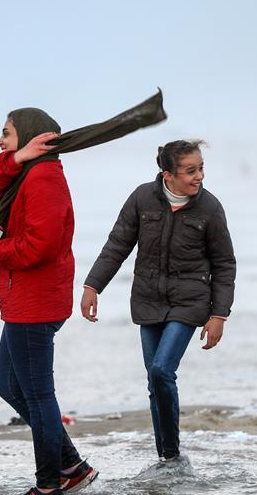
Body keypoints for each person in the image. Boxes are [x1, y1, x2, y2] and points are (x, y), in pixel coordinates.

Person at [80, 139, 236, 463]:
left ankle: (172, 454)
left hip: (190, 302)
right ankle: (167, 457)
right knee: (154, 379)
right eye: (190, 171)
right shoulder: (142, 199)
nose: (199, 177)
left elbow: (224, 264)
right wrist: (93, 285)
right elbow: (117, 245)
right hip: (148, 300)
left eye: (201, 168)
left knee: (162, 371)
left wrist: (219, 314)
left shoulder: (209, 208)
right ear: (167, 174)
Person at [0, 108, 97, 495]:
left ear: (26, 133)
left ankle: (49, 486)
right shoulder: (29, 170)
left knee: (39, 396)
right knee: (9, 386)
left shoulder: (45, 179)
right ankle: (72, 467)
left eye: (6, 134)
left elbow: (37, 248)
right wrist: (18, 156)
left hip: (36, 302)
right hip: (24, 300)